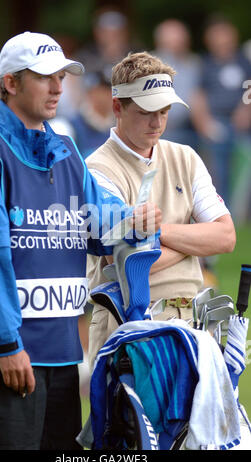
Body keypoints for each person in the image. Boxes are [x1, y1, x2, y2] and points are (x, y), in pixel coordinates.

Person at [0, 32, 160, 450]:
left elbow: (98, 221)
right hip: (5, 354)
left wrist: (134, 222)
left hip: (63, 354)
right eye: (45, 76)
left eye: (62, 76)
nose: (58, 87)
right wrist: (8, 343)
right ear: (11, 83)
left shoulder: (65, 150)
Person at [86, 51, 236, 371]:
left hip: (190, 325)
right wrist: (192, 244)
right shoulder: (96, 171)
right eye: (146, 111)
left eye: (164, 111)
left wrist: (159, 233)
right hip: (125, 328)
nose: (157, 122)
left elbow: (225, 236)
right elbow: (127, 264)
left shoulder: (186, 156)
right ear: (117, 107)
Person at [190, 15, 251, 210]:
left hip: (243, 125)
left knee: (243, 172)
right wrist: (205, 123)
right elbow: (199, 96)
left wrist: (246, 109)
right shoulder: (205, 64)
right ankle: (223, 213)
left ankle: (242, 213)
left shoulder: (244, 61)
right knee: (218, 173)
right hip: (216, 124)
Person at [152, 19, 201, 151]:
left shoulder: (195, 63)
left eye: (180, 39)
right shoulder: (149, 65)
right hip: (159, 127)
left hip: (191, 128)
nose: (176, 44)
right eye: (171, 40)